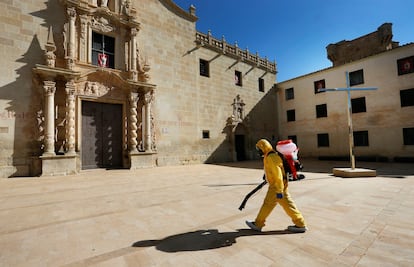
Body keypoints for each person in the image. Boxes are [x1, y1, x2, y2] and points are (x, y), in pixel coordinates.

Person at [245, 138, 307, 233]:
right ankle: (300, 223)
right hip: (278, 186)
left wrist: (279, 190)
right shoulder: (269, 155)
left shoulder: (271, 157)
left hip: (277, 187)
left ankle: (258, 224)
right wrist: (266, 176)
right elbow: (273, 171)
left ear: (263, 148)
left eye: (259, 149)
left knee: (270, 205)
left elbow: (278, 174)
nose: (258, 152)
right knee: (284, 205)